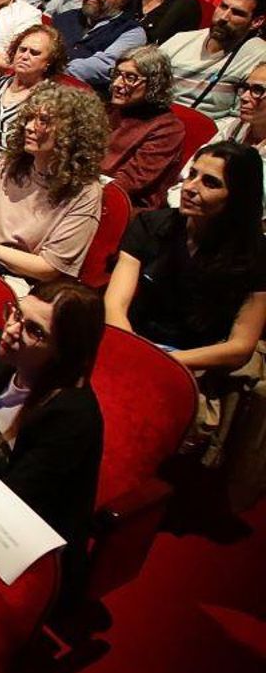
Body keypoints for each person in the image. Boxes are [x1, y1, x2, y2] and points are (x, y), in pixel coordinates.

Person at [109, 142, 266, 460]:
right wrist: (135, 353)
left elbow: (240, 346)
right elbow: (114, 305)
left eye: (210, 183)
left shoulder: (256, 256)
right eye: (192, 175)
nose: (190, 188)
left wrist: (167, 365)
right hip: (133, 340)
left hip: (196, 361)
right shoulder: (151, 227)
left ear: (237, 197)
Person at [0, 280, 105, 603]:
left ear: (64, 353)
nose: (11, 328)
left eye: (34, 331)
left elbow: (15, 501)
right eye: (16, 313)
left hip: (18, 537)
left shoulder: (71, 415)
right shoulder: (1, 350)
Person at [0, 82, 107, 284]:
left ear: (72, 133)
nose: (28, 127)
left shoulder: (84, 191)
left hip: (20, 281)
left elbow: (48, 268)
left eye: (43, 121)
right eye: (29, 118)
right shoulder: (7, 164)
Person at [160, 0, 266, 121]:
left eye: (237, 13)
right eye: (223, 6)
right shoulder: (180, 40)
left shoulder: (259, 57)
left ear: (256, 21)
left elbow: (241, 119)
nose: (223, 17)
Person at [171, 63, 266, 215]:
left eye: (257, 90)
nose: (244, 97)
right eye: (245, 87)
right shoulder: (232, 127)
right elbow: (187, 177)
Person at [104, 45, 186, 208]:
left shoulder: (168, 128)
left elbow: (129, 182)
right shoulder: (110, 109)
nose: (117, 84)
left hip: (123, 205)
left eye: (130, 77)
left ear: (155, 83)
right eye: (117, 74)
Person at [56, 0, 147, 91]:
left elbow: (103, 66)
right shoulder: (66, 17)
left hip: (83, 98)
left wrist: (51, 70)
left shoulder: (132, 32)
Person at [0, 23, 66, 152]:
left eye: (34, 53)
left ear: (48, 63)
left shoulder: (51, 100)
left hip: (12, 162)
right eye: (22, 50)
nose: (24, 56)